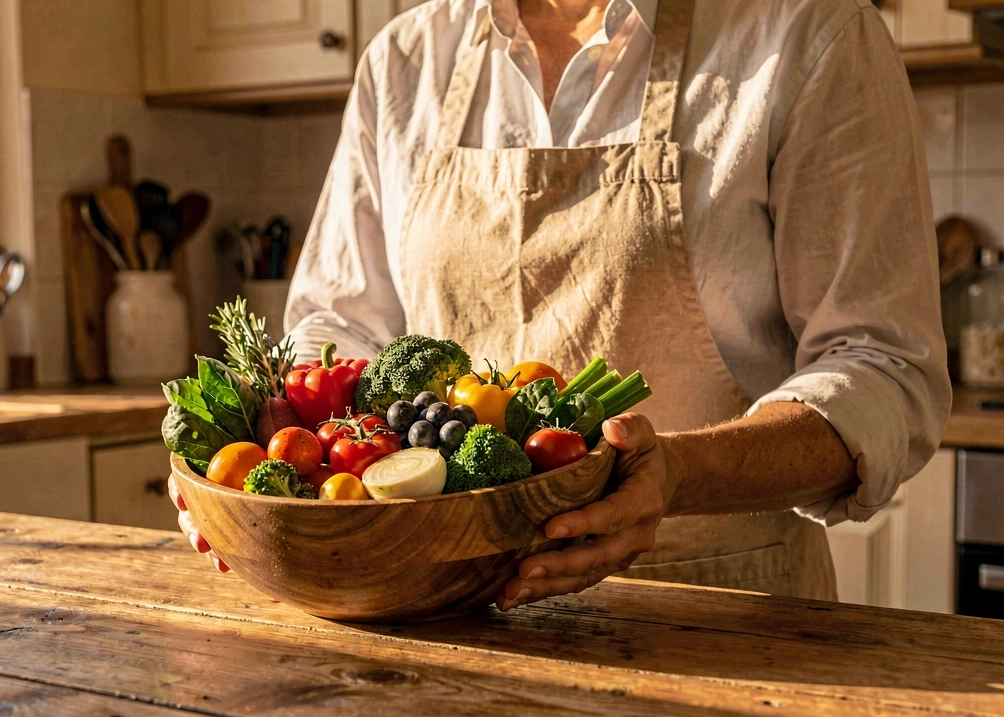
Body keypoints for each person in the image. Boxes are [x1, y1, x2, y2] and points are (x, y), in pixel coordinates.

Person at [171, 0, 950, 610]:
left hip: (724, 613)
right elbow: (339, 326)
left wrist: (677, 474)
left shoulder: (810, 34)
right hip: (444, 614)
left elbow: (884, 368)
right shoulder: (406, 60)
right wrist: (258, 464)